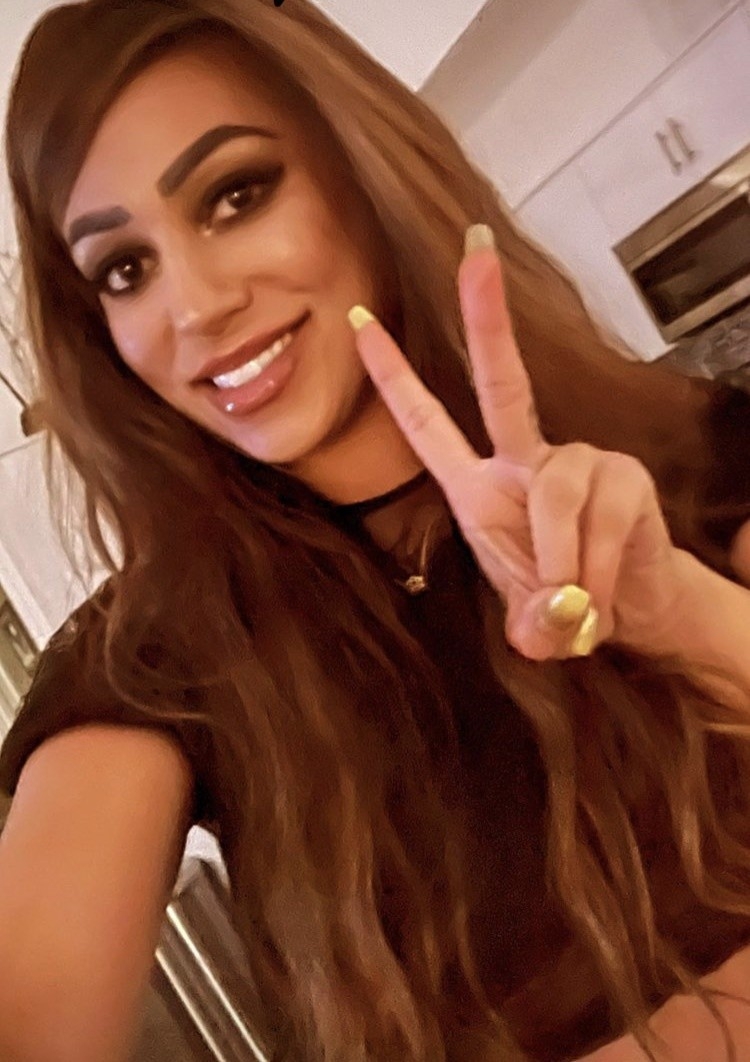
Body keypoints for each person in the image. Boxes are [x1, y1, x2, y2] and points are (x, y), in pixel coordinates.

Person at [0, 1, 750, 1060]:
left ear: (359, 169)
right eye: (126, 269)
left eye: (235, 195)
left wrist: (683, 616)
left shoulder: (690, 452)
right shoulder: (157, 657)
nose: (194, 307)